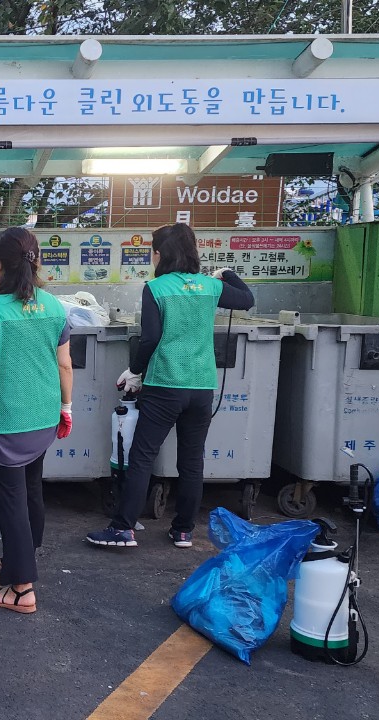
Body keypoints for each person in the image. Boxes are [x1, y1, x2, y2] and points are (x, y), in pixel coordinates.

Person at [87, 223, 255, 550]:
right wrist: (227, 274)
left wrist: (135, 371)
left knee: (143, 457)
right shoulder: (210, 287)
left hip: (165, 384)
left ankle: (123, 528)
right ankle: (183, 531)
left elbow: (149, 338)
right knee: (192, 461)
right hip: (202, 387)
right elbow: (246, 298)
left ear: (160, 254)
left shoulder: (157, 288)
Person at [0, 227, 73, 616]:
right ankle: (24, 554)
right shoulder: (55, 307)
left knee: (11, 500)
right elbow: (64, 364)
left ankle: (22, 588)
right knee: (32, 488)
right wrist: (66, 407)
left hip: (5, 421)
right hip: (43, 417)